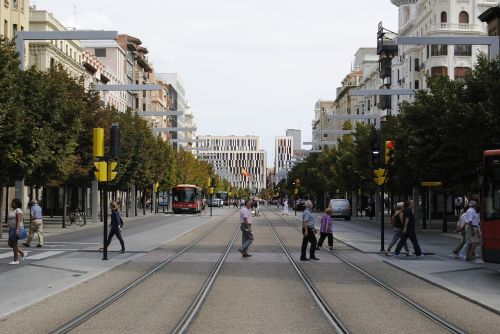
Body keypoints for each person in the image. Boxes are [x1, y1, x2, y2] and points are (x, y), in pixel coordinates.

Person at [7, 198, 26, 265]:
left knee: (14, 244)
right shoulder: (13, 210)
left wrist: (17, 230)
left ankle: (16, 260)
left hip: (15, 229)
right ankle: (22, 253)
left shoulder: (18, 210)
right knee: (10, 243)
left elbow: (19, 221)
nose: (12, 203)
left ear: (16, 203)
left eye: (13, 202)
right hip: (11, 229)